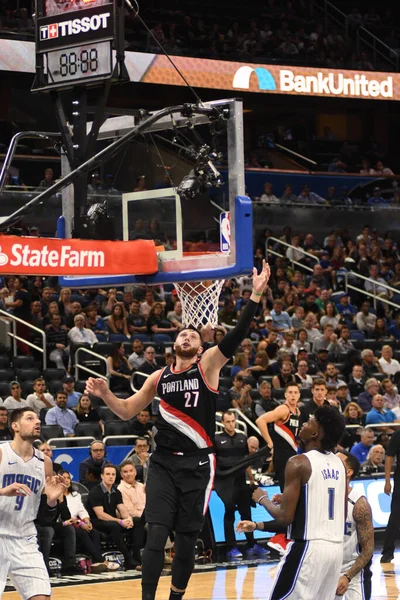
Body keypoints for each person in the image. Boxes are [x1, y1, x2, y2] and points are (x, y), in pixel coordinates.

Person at [85, 261, 271, 600]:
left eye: (193, 335)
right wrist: (105, 394)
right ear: (175, 344)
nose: (186, 336)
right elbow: (127, 410)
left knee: (186, 543)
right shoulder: (159, 377)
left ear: (201, 347)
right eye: (182, 334)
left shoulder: (209, 366)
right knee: (155, 535)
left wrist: (256, 293)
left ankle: (175, 597)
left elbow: (239, 333)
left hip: (199, 465)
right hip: (164, 464)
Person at [236, 405, 347, 600]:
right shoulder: (340, 464)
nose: (304, 422)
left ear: (315, 432)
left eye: (309, 420)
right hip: (336, 549)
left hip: (309, 548)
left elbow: (285, 518)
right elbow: (340, 511)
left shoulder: (298, 462)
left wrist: (262, 499)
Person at [0, 407, 67, 598]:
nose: (37, 422)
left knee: (41, 596)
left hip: (25, 537)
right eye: (30, 418)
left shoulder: (44, 462)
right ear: (15, 426)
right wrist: (2, 491)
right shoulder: (1, 453)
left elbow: (45, 518)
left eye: (38, 419)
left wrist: (52, 501)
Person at [214, 411, 268, 559]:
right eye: (228, 422)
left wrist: (251, 479)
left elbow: (246, 461)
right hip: (226, 485)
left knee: (247, 514)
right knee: (229, 514)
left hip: (240, 482)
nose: (231, 424)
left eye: (233, 421)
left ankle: (252, 545)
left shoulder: (242, 438)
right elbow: (213, 462)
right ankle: (231, 547)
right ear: (223, 423)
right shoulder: (217, 439)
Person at [256, 382, 301, 554]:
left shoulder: (299, 412)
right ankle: (281, 537)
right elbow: (261, 420)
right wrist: (270, 443)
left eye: (296, 392)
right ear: (286, 395)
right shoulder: (284, 410)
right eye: (290, 392)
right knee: (289, 500)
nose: (293, 395)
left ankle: (287, 536)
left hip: (293, 459)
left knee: (291, 498)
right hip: (283, 460)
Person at [60, 469, 119, 572]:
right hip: (66, 523)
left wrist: (87, 521)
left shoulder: (75, 495)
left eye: (68, 478)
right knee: (82, 532)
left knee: (94, 532)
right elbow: (64, 515)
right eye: (63, 478)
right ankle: (102, 561)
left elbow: (82, 510)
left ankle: (96, 563)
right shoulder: (57, 496)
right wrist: (80, 523)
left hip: (78, 522)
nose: (66, 480)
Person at [335, 451, 374, 600]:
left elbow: (368, 549)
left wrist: (348, 576)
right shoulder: (321, 496)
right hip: (325, 569)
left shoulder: (359, 504)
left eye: (337, 461)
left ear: (348, 472)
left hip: (352, 573)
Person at [86, 464, 141, 570]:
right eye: (107, 474)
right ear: (102, 476)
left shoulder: (116, 492)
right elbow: (100, 515)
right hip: (97, 522)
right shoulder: (95, 492)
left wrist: (128, 519)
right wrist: (120, 522)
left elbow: (122, 509)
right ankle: (128, 559)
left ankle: (137, 558)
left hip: (112, 521)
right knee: (115, 525)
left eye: (113, 474)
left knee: (137, 521)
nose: (110, 477)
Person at [381, 427, 400, 562]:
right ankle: (387, 552)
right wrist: (387, 480)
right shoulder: (397, 435)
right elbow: (389, 457)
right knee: (395, 516)